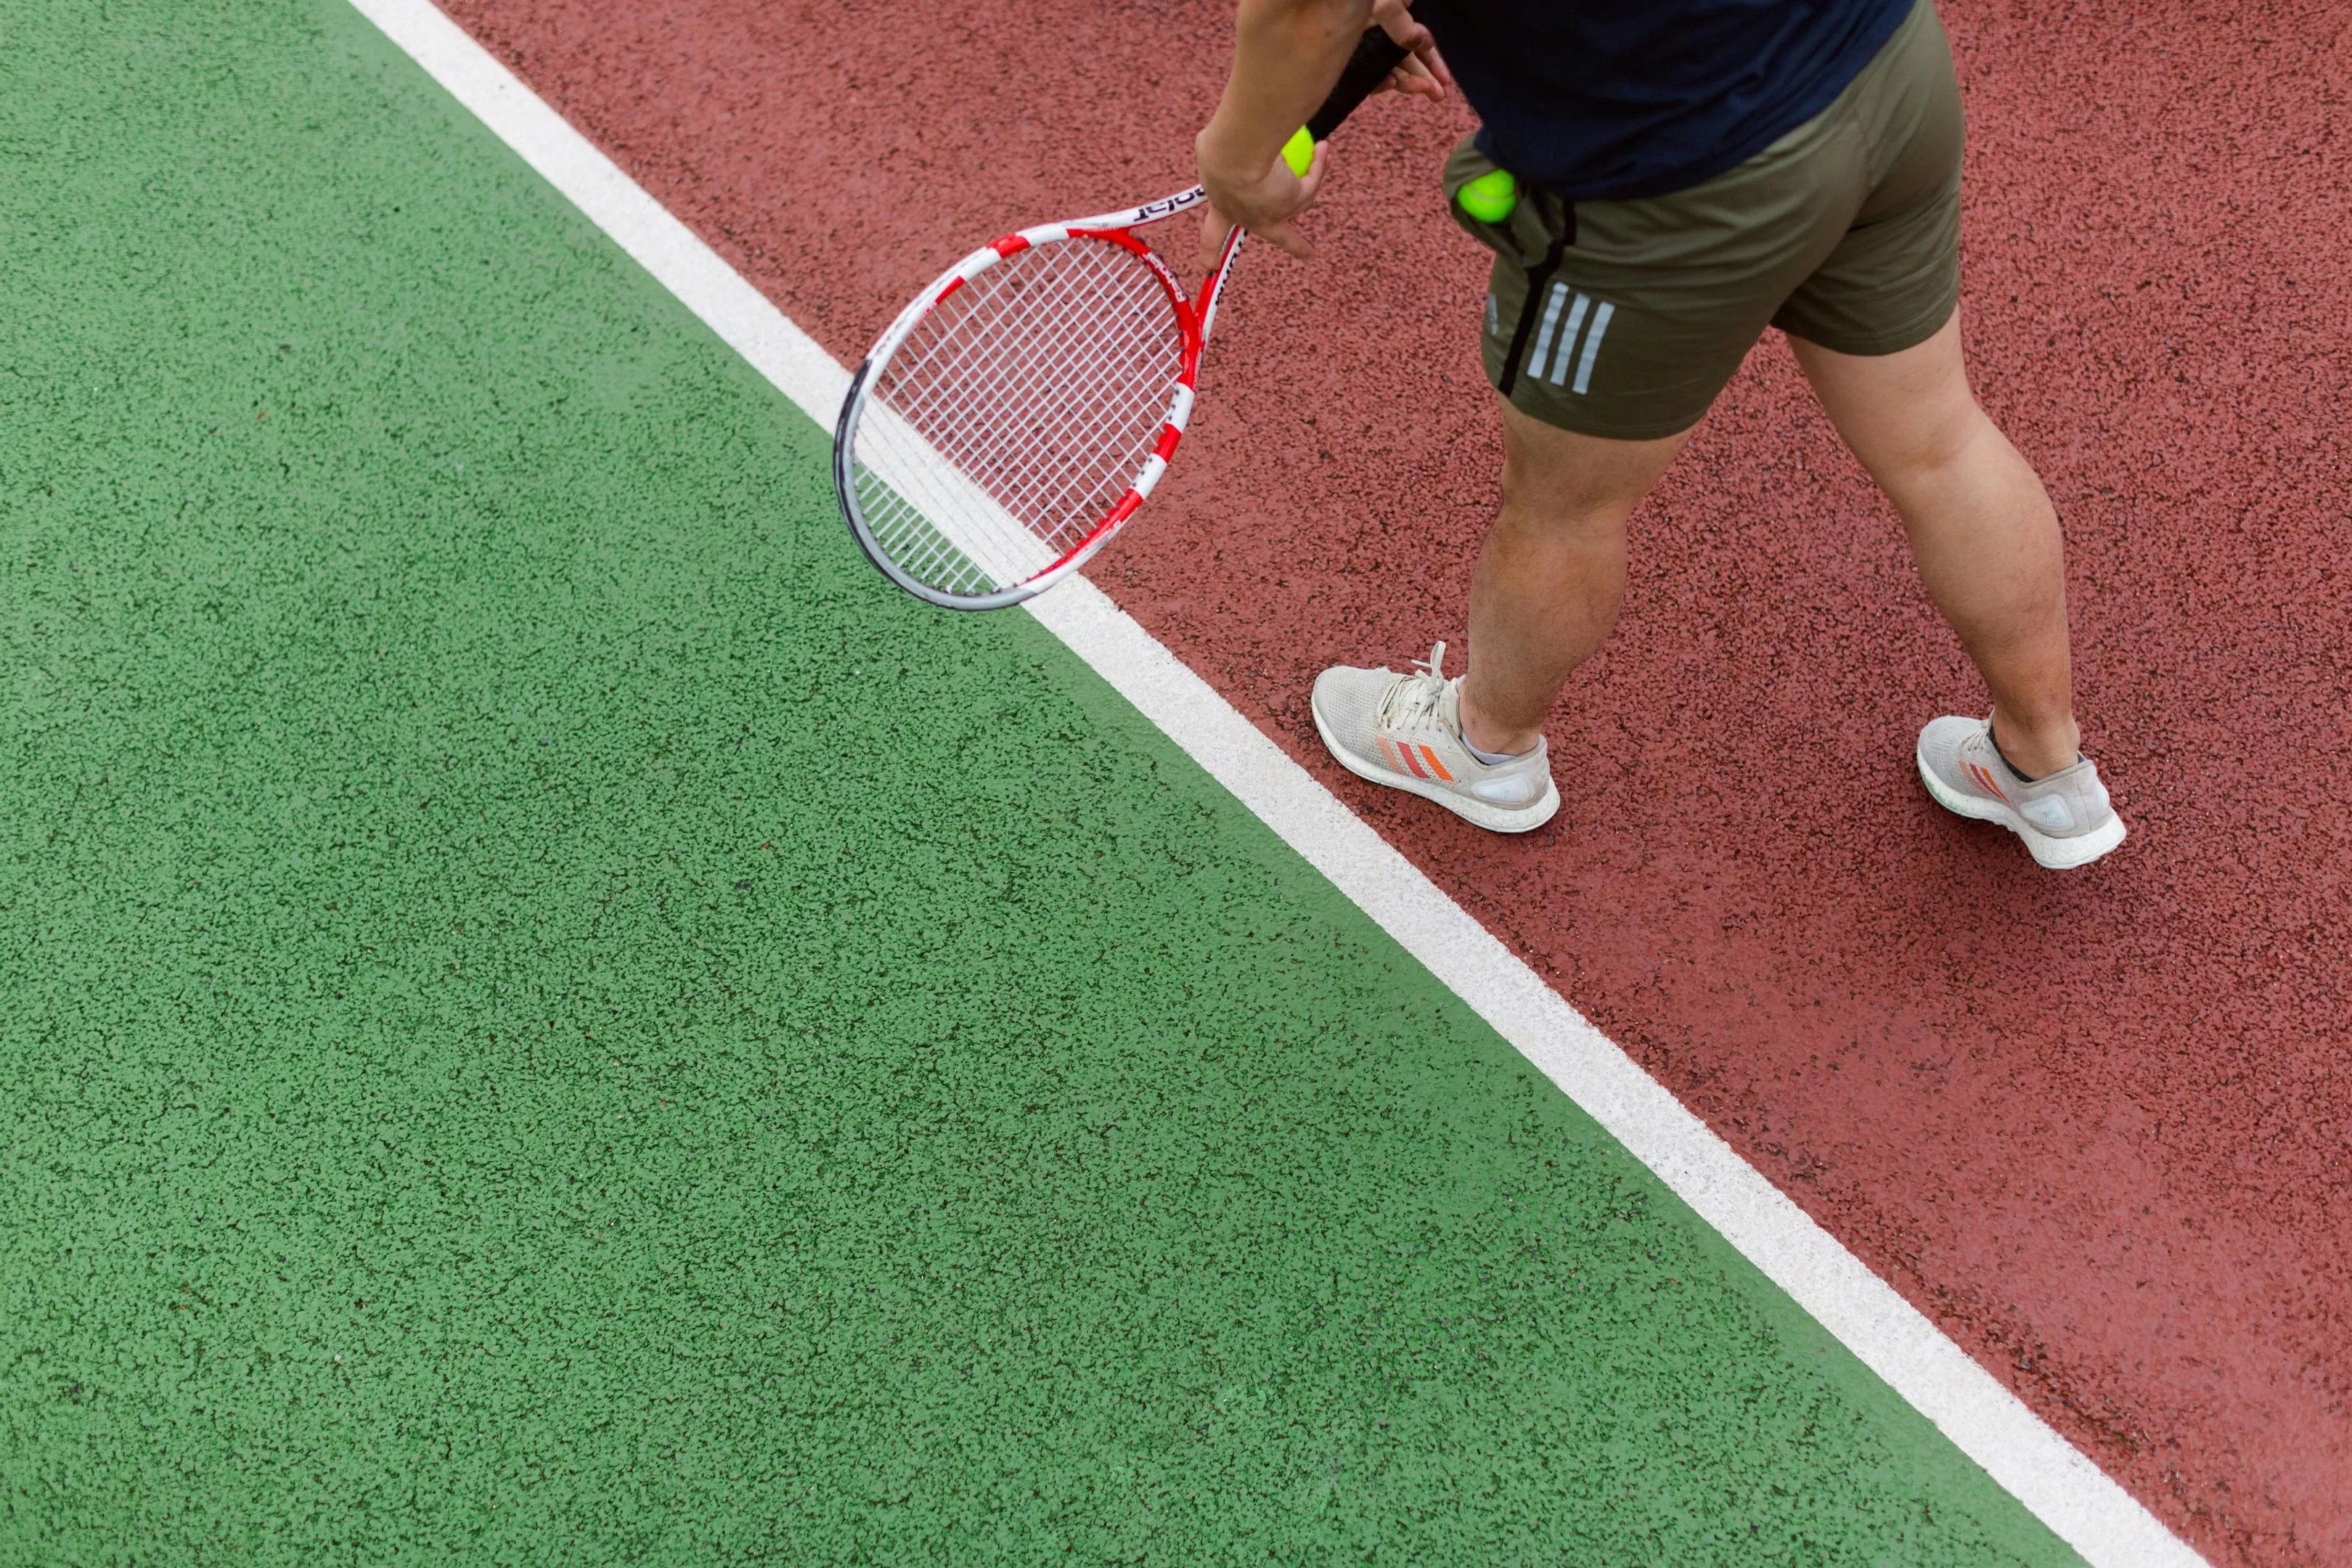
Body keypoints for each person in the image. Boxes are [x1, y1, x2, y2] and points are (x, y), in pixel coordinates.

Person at [1193, 0, 2126, 869]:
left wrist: (1239, 159)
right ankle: (2046, 769)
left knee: (1564, 508)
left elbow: (1303, 9)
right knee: (1939, 443)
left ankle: (1487, 750)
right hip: (1880, 66)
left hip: (1668, 178)